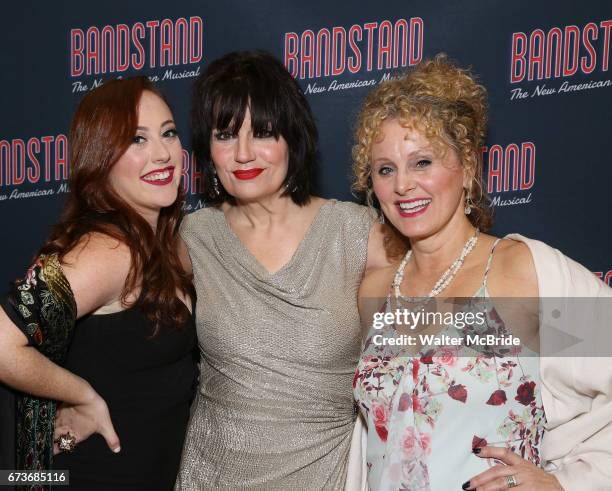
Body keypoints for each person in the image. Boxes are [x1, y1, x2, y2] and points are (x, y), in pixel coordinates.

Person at [351, 55, 612, 490]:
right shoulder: (377, 288)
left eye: (422, 162)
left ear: (468, 166)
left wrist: (565, 484)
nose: (402, 185)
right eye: (385, 169)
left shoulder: (519, 270)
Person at [176, 51, 387, 490]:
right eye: (226, 134)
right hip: (209, 476)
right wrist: (77, 397)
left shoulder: (357, 233)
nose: (244, 153)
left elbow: (423, 358)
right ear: (207, 149)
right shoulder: (193, 238)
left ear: (293, 137)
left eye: (264, 132)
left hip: (323, 476)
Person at [0, 77, 198, 490]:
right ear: (101, 156)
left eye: (168, 133)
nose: (162, 154)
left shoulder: (169, 241)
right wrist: (82, 395)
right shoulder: (108, 252)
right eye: (136, 140)